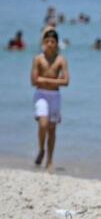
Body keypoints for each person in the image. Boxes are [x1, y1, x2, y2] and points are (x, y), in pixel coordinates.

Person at [30, 28, 69, 172]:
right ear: (43, 43)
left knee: (52, 129)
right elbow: (34, 81)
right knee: (43, 123)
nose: (50, 44)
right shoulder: (38, 59)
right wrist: (53, 81)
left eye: (53, 41)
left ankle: (50, 161)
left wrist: (44, 80)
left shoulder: (61, 60)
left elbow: (66, 81)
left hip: (55, 97)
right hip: (41, 95)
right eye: (47, 41)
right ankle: (41, 149)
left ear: (57, 43)